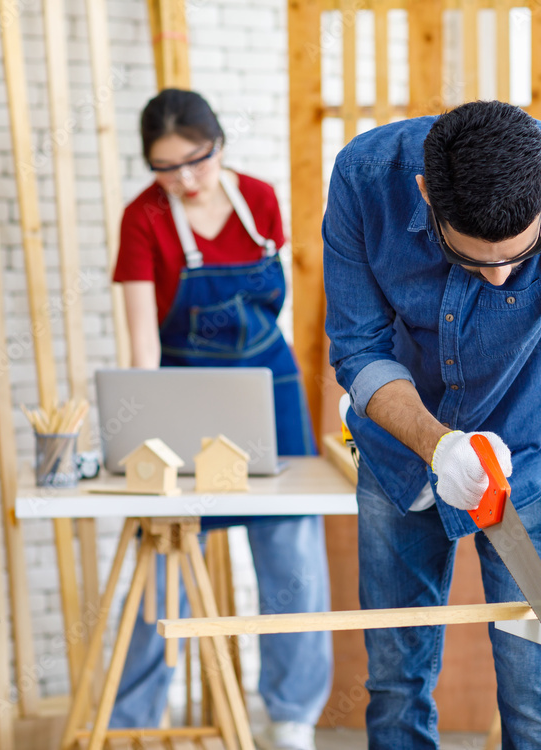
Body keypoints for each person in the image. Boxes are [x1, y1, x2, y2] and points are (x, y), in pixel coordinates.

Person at [322, 100, 541, 750]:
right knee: (394, 680)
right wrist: (439, 446)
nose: (498, 275)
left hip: (532, 453)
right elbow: (359, 351)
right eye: (472, 259)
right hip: (401, 458)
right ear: (425, 197)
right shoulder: (364, 177)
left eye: (516, 259)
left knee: (535, 691)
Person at [111, 88, 331, 750]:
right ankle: (134, 722)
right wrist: (139, 427)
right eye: (165, 167)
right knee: (166, 562)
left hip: (271, 393)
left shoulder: (259, 199)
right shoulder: (141, 219)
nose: (183, 179)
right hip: (184, 399)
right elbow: (142, 345)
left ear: (219, 145)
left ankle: (292, 717)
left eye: (196, 161)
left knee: (291, 557)